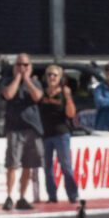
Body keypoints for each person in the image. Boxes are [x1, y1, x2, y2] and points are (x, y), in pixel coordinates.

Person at [0, 53, 44, 211]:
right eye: (19, 65)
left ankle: (22, 196)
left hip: (32, 128)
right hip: (15, 128)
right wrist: (18, 78)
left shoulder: (36, 83)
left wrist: (27, 80)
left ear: (30, 67)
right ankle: (9, 196)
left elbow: (38, 97)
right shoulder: (7, 81)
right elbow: (8, 94)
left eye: (26, 65)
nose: (22, 68)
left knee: (29, 165)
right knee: (13, 164)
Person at [40, 64, 79, 204]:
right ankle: (52, 195)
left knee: (65, 165)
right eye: (49, 74)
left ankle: (73, 195)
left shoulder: (63, 92)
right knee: (47, 167)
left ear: (60, 77)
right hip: (46, 134)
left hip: (61, 133)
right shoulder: (42, 93)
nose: (51, 77)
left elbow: (71, 113)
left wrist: (68, 97)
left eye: (55, 75)